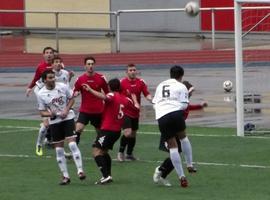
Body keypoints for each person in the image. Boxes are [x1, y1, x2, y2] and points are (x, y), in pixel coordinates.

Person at [82, 78, 139, 184]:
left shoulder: (112, 95)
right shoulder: (126, 99)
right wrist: (135, 100)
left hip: (107, 129)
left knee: (96, 151)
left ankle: (105, 176)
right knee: (104, 152)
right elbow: (136, 109)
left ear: (109, 87)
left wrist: (90, 90)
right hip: (116, 131)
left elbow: (104, 97)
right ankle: (108, 175)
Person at [36, 69, 86, 185]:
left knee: (72, 144)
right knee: (59, 150)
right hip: (54, 122)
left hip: (68, 118)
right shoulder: (41, 94)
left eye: (53, 77)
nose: (53, 79)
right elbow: (42, 112)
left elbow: (72, 99)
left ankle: (80, 171)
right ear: (44, 80)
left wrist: (66, 110)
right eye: (50, 78)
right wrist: (51, 114)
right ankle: (65, 176)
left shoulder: (62, 86)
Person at [153, 80, 202, 187]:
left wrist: (200, 106)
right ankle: (161, 170)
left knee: (176, 152)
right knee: (175, 151)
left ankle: (163, 174)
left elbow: (190, 107)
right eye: (190, 92)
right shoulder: (179, 102)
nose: (191, 94)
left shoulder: (183, 101)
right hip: (170, 127)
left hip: (174, 127)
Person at [35, 56, 73, 158]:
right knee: (45, 125)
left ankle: (62, 151)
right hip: (49, 103)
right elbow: (37, 89)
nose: (58, 64)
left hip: (61, 103)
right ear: (52, 64)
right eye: (56, 62)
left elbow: (66, 85)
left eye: (59, 62)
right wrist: (42, 99)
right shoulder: (47, 74)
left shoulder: (65, 73)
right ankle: (39, 144)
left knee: (62, 126)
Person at [117, 63, 152, 161]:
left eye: (134, 70)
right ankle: (120, 152)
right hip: (125, 112)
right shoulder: (122, 83)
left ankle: (129, 154)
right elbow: (117, 96)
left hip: (135, 112)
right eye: (130, 70)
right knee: (127, 133)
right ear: (126, 72)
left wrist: (152, 100)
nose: (133, 72)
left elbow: (147, 94)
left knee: (133, 134)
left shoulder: (141, 82)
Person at [25, 46, 54, 156]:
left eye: (51, 52)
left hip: (54, 97)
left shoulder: (57, 65)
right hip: (43, 97)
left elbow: (63, 80)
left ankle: (49, 138)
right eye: (47, 52)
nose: (49, 54)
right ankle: (40, 143)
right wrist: (29, 88)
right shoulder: (41, 67)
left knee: (55, 119)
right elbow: (36, 78)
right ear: (44, 55)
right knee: (47, 122)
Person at [73, 56, 109, 145]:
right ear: (85, 66)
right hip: (85, 110)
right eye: (88, 64)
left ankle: (99, 146)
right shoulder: (80, 79)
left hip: (98, 110)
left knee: (101, 133)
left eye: (92, 64)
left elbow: (108, 93)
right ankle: (74, 150)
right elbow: (75, 91)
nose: (90, 66)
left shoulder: (101, 78)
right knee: (78, 129)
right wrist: (76, 93)